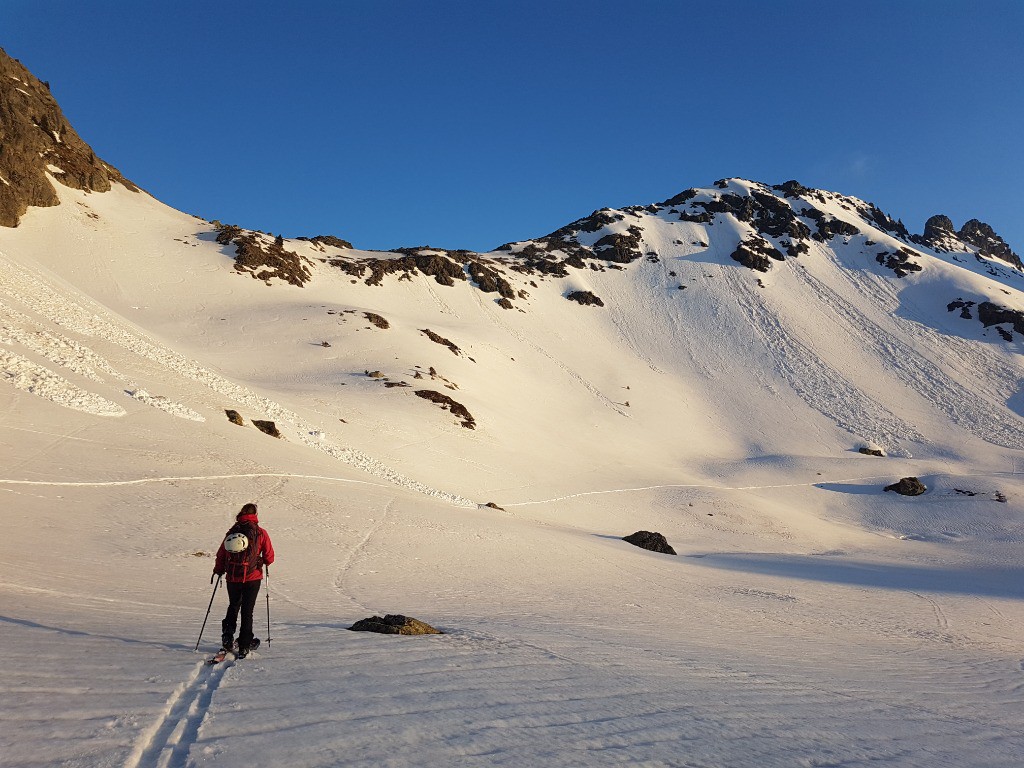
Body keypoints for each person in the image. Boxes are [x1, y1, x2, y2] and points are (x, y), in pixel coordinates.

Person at [213, 502, 275, 658]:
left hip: (232, 577)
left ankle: (227, 636)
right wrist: (260, 561)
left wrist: (218, 570)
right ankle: (244, 646)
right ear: (255, 515)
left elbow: (221, 553)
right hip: (252, 578)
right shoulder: (260, 533)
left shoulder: (233, 531)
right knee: (247, 611)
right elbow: (269, 557)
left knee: (233, 606)